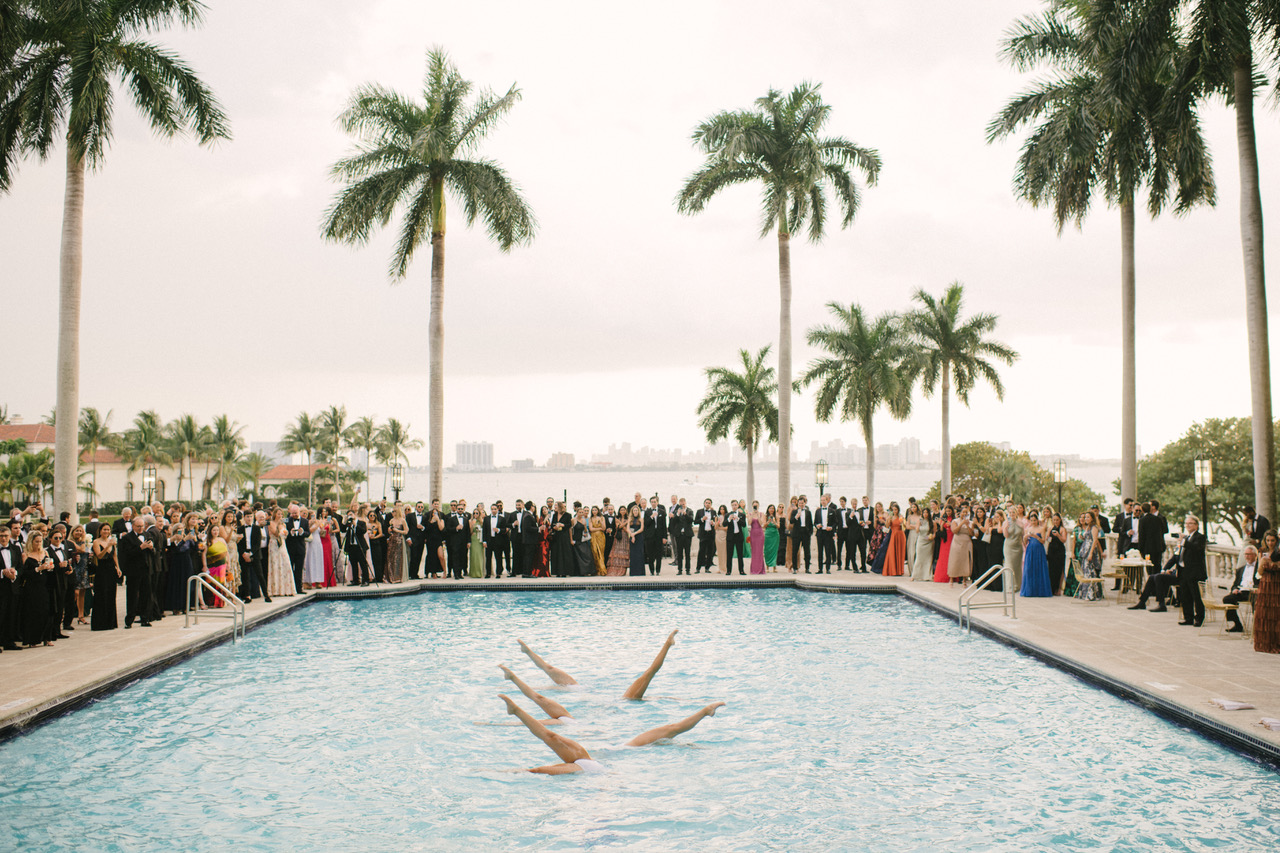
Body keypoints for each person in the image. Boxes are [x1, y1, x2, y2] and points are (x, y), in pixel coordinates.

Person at [499, 694, 726, 774]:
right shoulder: (566, 723)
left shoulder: (567, 725)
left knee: (539, 763)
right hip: (615, 754)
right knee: (545, 751)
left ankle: (705, 711)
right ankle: (516, 711)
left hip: (604, 761)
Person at [1175, 515, 1207, 626]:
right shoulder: (1187, 537)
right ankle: (1188, 617)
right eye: (1186, 523)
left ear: (1196, 525)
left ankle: (1199, 618)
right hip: (1184, 570)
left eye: (1190, 523)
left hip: (1195, 572)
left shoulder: (1200, 537)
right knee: (1185, 595)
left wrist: (1183, 541)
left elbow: (1197, 548)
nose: (1188, 525)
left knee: (1196, 596)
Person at [1223, 546, 1260, 632]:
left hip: (1254, 592)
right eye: (1245, 554)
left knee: (1256, 602)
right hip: (1242, 592)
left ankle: (1257, 626)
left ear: (1255, 555)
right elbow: (1235, 584)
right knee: (1227, 599)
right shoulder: (1240, 569)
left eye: (1249, 554)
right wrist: (1234, 589)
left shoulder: (1259, 568)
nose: (1247, 556)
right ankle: (1237, 624)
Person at [1254, 530, 1279, 653]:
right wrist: (1262, 562)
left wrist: (1274, 563)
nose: (1270, 543)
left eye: (1272, 540)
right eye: (1268, 540)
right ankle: (1265, 642)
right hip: (1265, 583)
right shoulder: (1262, 551)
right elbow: (1259, 572)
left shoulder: (1278, 552)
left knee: (1276, 612)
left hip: (1277, 584)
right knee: (1264, 612)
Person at [1019, 509, 1052, 597]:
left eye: (1034, 520)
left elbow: (1043, 541)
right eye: (1032, 520)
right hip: (1030, 550)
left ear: (1037, 520)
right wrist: (1025, 537)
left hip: (1039, 549)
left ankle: (1040, 590)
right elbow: (1025, 543)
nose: (1033, 522)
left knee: (1039, 569)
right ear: (1029, 521)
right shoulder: (1027, 529)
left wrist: (1035, 536)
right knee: (1029, 569)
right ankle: (1029, 590)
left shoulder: (1041, 529)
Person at [267, 509, 296, 597]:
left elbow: (284, 536)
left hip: (282, 545)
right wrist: (279, 529)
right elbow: (275, 534)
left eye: (281, 514)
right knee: (275, 565)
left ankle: (287, 589)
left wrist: (286, 532)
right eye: (278, 514)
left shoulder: (283, 524)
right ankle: (275, 590)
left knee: (285, 563)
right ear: (275, 514)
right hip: (274, 545)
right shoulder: (271, 523)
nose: (280, 516)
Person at [1076, 511, 1104, 602]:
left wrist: (1091, 553)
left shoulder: (1094, 527)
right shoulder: (1087, 527)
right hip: (1084, 550)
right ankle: (1084, 593)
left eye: (1088, 517)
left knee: (1090, 571)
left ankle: (1091, 593)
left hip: (1090, 551)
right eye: (1085, 517)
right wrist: (1082, 537)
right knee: (1085, 571)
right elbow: (1088, 538)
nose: (1086, 519)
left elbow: (1095, 540)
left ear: (1092, 518)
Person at [283, 504, 309, 595]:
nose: (294, 515)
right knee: (290, 569)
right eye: (292, 513)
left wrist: (302, 533)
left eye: (296, 513)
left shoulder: (305, 521)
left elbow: (308, 533)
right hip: (290, 548)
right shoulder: (286, 521)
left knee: (299, 569)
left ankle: (299, 588)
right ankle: (290, 588)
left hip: (301, 548)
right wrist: (290, 533)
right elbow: (284, 533)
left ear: (299, 512)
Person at [947, 507, 973, 585]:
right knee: (955, 559)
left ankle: (964, 579)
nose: (964, 514)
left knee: (965, 561)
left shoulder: (971, 522)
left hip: (966, 542)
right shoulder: (955, 521)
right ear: (960, 513)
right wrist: (961, 523)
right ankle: (951, 578)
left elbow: (972, 534)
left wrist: (967, 525)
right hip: (957, 542)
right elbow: (954, 531)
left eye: (966, 512)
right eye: (963, 512)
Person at [1003, 504, 1025, 590]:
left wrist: (1025, 546)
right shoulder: (1006, 522)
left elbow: (1022, 536)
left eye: (1013, 512)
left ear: (1016, 513)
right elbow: (1006, 536)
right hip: (1009, 547)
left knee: (1017, 567)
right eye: (1010, 512)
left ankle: (1018, 586)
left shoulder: (1021, 523)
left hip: (1018, 547)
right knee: (1009, 565)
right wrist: (1006, 527)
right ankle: (1009, 586)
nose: (1012, 514)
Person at [790, 496, 814, 573]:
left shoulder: (808, 512)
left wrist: (810, 533)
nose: (801, 504)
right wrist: (796, 516)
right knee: (795, 551)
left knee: (807, 552)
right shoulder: (794, 511)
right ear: (798, 504)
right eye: (800, 503)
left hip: (806, 534)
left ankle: (807, 568)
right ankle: (794, 568)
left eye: (802, 503)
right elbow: (791, 521)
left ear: (805, 503)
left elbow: (810, 523)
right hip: (797, 533)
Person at [815, 494, 837, 574]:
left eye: (824, 500)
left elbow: (835, 523)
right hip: (820, 533)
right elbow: (815, 522)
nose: (823, 502)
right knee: (820, 552)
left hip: (828, 534)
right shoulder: (817, 511)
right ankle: (820, 569)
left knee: (828, 551)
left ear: (827, 501)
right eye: (822, 500)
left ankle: (828, 569)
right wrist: (817, 526)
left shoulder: (832, 511)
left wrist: (831, 528)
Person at [1046, 513, 1068, 594]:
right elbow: (1047, 539)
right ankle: (1051, 588)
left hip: (1059, 551)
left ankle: (1058, 589)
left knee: (1059, 569)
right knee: (1051, 569)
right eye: (1054, 520)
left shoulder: (1062, 529)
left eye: (1057, 520)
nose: (1055, 521)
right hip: (1052, 550)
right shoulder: (1050, 528)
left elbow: (1064, 540)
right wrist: (1047, 537)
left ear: (1060, 520)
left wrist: (1058, 535)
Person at [884, 502, 907, 577]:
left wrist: (902, 523)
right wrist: (887, 520)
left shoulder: (901, 517)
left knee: (899, 552)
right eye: (893, 510)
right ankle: (892, 570)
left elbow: (904, 527)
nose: (894, 511)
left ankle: (899, 571)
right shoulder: (890, 517)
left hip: (900, 535)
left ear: (898, 510)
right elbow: (887, 527)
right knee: (892, 552)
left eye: (896, 510)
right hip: (893, 535)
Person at [694, 499, 717, 574]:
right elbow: (695, 522)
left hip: (711, 534)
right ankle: (698, 568)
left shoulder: (713, 512)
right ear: (704, 503)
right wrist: (702, 519)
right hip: (703, 534)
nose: (707, 504)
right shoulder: (699, 511)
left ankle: (707, 567)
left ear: (711, 504)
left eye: (709, 503)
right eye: (706, 503)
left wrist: (713, 523)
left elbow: (716, 523)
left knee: (710, 552)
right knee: (701, 552)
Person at [386, 505, 408, 583]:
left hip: (399, 540)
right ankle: (391, 577)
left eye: (394, 511)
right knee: (390, 558)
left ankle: (398, 577)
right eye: (392, 511)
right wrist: (390, 530)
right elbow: (390, 531)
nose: (393, 513)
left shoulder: (403, 520)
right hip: (392, 540)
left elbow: (406, 531)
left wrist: (397, 530)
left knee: (398, 558)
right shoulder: (391, 520)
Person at [571, 507, 594, 577]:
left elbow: (585, 531)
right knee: (577, 556)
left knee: (588, 554)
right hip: (576, 540)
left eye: (582, 512)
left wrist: (584, 527)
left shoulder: (584, 520)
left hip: (582, 540)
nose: (581, 514)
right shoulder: (573, 520)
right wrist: (571, 540)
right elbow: (570, 530)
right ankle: (579, 572)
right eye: (579, 512)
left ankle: (588, 571)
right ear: (577, 513)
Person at [747, 502, 766, 575]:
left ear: (758, 506)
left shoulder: (762, 514)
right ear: (752, 506)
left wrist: (758, 515)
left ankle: (760, 569)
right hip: (753, 533)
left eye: (756, 505)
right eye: (754, 506)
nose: (755, 507)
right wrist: (752, 514)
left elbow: (762, 523)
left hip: (760, 533)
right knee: (754, 551)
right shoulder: (750, 514)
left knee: (760, 551)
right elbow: (749, 523)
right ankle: (754, 569)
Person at [628, 505, 646, 577]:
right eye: (634, 510)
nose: (635, 512)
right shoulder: (630, 519)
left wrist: (634, 534)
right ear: (632, 511)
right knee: (633, 554)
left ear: (638, 511)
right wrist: (631, 535)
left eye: (636, 510)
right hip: (632, 538)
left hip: (639, 537)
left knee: (639, 554)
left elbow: (642, 529)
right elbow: (628, 528)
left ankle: (640, 571)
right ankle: (633, 572)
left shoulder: (641, 519)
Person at [589, 506, 607, 576]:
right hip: (593, 537)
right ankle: (597, 570)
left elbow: (604, 528)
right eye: (593, 510)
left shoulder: (602, 518)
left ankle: (602, 570)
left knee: (601, 553)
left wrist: (601, 522)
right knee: (595, 552)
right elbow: (591, 529)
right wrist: (599, 528)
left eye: (595, 510)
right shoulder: (591, 519)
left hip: (601, 537)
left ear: (598, 511)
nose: (594, 511)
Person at [467, 506, 484, 579]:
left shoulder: (482, 522)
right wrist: (472, 525)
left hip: (479, 540)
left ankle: (479, 573)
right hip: (473, 540)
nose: (475, 515)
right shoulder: (470, 521)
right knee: (473, 556)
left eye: (477, 513)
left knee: (479, 557)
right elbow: (469, 532)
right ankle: (473, 573)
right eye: (474, 513)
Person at [763, 505, 779, 572]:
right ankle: (767, 566)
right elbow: (764, 526)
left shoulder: (776, 516)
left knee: (774, 550)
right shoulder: (765, 516)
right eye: (770, 508)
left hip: (775, 534)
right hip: (768, 533)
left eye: (773, 508)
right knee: (767, 550)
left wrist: (774, 522)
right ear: (768, 509)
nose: (772, 510)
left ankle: (774, 567)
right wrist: (768, 521)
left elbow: (778, 526)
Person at [714, 505, 729, 574]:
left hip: (724, 535)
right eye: (721, 509)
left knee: (724, 552)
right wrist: (717, 522)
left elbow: (726, 528)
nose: (722, 511)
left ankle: (725, 567)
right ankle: (720, 568)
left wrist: (720, 528)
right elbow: (715, 527)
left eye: (723, 509)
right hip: (718, 535)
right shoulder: (718, 517)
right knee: (719, 552)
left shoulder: (727, 517)